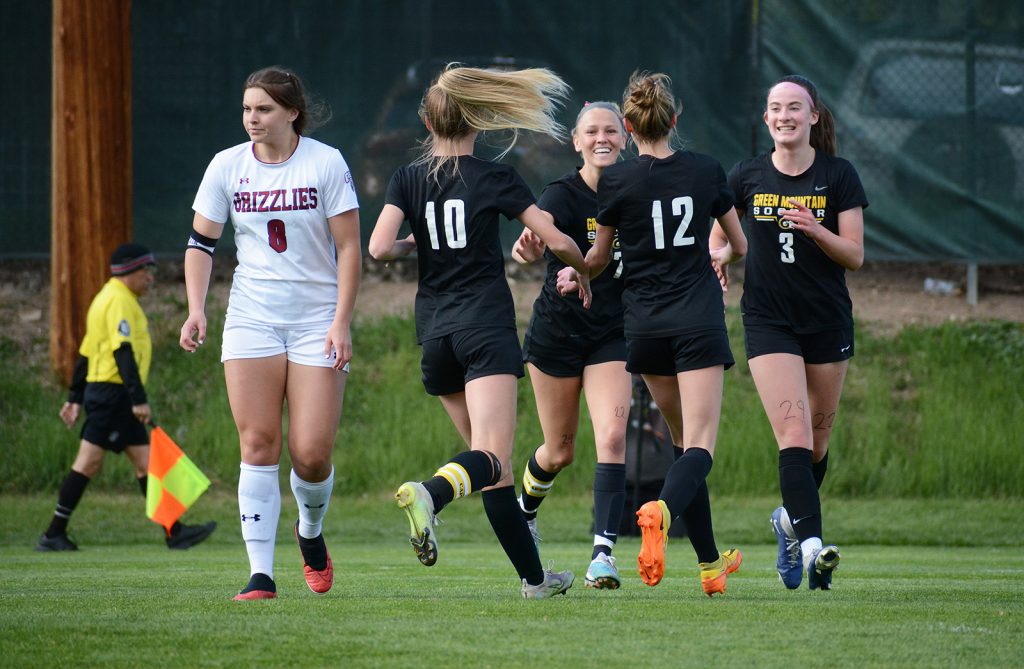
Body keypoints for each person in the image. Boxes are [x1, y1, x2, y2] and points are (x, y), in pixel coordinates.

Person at [368, 64, 592, 600]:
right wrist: (584, 267)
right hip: (485, 330)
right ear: (478, 121)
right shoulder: (496, 177)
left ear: (426, 121)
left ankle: (536, 581)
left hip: (436, 336)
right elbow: (553, 236)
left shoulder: (407, 178)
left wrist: (422, 246)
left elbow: (378, 249)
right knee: (490, 457)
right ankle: (430, 493)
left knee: (494, 471)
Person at [179, 66, 361, 601]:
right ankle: (261, 574)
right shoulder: (226, 166)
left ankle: (310, 532)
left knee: (311, 454)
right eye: (246, 109)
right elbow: (200, 244)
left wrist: (341, 322)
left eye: (263, 109)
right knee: (258, 442)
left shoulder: (325, 162)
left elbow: (349, 248)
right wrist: (196, 310)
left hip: (316, 321)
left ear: (291, 112)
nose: (252, 119)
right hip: (251, 317)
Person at [582, 71, 747, 596]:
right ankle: (659, 511)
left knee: (682, 447)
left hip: (645, 327)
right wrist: (721, 253)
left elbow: (600, 258)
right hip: (696, 321)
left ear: (628, 128)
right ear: (675, 120)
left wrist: (570, 263)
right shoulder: (704, 170)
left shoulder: (617, 181)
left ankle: (708, 565)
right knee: (700, 448)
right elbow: (737, 245)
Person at [722, 74, 866, 591]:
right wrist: (719, 256)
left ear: (813, 117)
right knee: (795, 435)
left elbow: (854, 254)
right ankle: (812, 551)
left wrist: (816, 229)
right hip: (768, 321)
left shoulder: (838, 175)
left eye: (794, 107)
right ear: (767, 119)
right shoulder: (746, 175)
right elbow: (723, 238)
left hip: (827, 321)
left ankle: (788, 523)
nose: (784, 115)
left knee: (819, 444)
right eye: (775, 107)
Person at [508, 101, 631, 589]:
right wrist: (528, 246)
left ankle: (603, 553)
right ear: (576, 141)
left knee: (613, 438)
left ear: (624, 139)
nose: (602, 138)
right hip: (558, 335)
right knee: (559, 452)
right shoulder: (560, 192)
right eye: (591, 132)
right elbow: (534, 235)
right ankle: (525, 512)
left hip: (613, 334)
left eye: (611, 131)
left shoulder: (637, 190)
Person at [37, 243, 217, 552]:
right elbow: (122, 353)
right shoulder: (119, 301)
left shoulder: (105, 298)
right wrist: (137, 399)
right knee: (89, 462)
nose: (150, 277)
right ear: (129, 271)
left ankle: (175, 532)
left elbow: (86, 354)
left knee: (146, 464)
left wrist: (74, 397)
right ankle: (53, 533)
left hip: (106, 393)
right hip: (113, 395)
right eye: (145, 271)